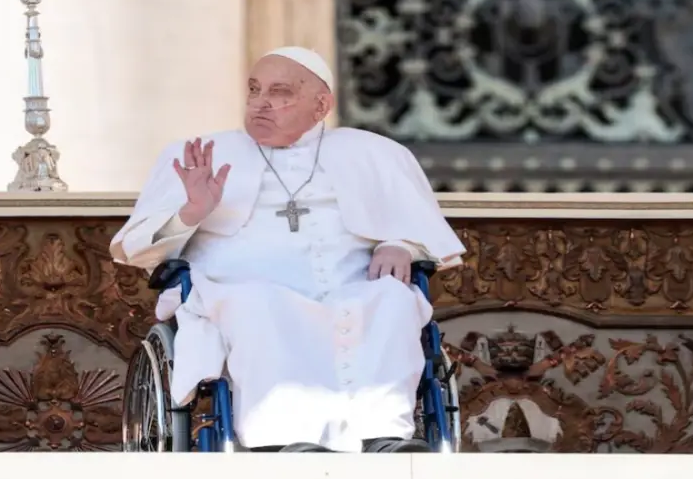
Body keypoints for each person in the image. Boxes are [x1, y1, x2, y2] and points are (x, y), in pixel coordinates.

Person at [110, 46, 465, 453]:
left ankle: (382, 436)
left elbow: (425, 232)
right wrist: (191, 212)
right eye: (254, 90)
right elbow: (136, 249)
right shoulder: (197, 155)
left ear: (321, 105)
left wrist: (400, 243)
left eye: (279, 93)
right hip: (240, 288)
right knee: (260, 305)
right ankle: (285, 439)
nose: (261, 103)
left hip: (352, 287)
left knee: (393, 299)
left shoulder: (374, 152)